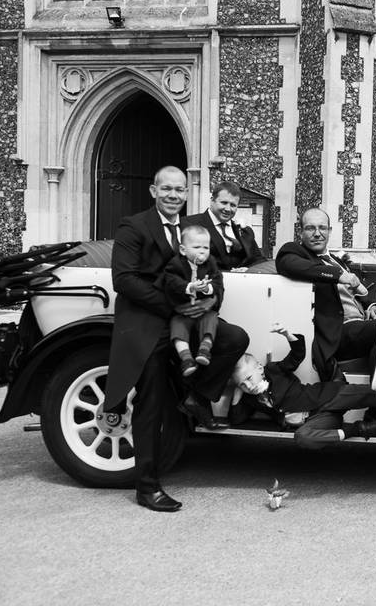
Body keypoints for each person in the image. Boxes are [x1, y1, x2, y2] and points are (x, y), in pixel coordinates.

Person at [103, 166, 250, 512]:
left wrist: (212, 301)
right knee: (151, 398)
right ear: (154, 191)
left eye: (179, 190)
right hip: (147, 318)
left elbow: (214, 269)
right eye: (166, 189)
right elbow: (124, 281)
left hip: (187, 313)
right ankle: (147, 486)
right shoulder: (134, 225)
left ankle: (193, 396)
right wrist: (175, 306)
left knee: (234, 338)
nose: (173, 195)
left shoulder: (189, 231)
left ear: (187, 194)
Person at [229, 324, 376, 448]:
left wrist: (288, 335)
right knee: (302, 438)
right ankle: (360, 429)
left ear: (259, 368)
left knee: (375, 394)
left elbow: (296, 357)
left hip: (329, 396)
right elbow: (237, 420)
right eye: (243, 384)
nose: (248, 385)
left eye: (249, 378)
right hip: (319, 418)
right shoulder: (250, 397)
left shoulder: (274, 370)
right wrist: (238, 390)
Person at [276, 208, 376, 381]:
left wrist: (371, 305)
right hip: (335, 333)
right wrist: (338, 275)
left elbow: (356, 288)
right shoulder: (294, 252)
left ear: (330, 231)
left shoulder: (335, 259)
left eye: (322, 228)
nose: (317, 233)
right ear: (300, 232)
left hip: (358, 324)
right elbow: (290, 265)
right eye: (310, 228)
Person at [160, 224, 224, 377]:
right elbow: (171, 282)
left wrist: (207, 289)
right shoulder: (176, 264)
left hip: (204, 311)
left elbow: (217, 281)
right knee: (177, 328)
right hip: (183, 311)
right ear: (183, 250)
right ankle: (186, 359)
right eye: (196, 247)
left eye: (206, 247)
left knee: (211, 320)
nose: (202, 251)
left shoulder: (211, 263)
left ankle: (204, 350)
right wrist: (189, 287)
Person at [183, 181, 265, 271]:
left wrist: (248, 270)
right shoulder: (189, 224)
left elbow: (259, 261)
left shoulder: (246, 231)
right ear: (212, 200)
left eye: (233, 205)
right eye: (224, 203)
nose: (228, 209)